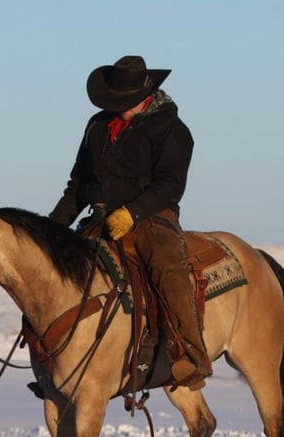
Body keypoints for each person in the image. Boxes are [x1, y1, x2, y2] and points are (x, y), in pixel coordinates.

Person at [49, 55, 212, 388]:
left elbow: (170, 185)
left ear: (145, 95)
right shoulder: (97, 127)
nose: (117, 106)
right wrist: (53, 227)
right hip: (100, 219)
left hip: (152, 218)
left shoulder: (171, 129)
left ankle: (191, 357)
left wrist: (132, 213)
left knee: (169, 271)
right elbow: (79, 183)